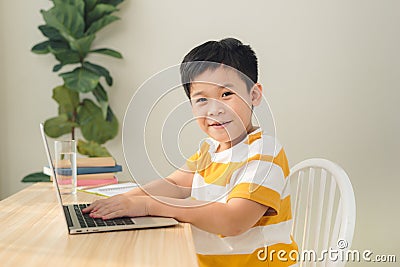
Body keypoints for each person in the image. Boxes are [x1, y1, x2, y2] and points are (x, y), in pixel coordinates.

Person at [83, 38, 298, 266]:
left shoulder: (265, 152)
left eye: (226, 95)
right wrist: (124, 200)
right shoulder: (211, 149)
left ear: (254, 95)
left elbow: (234, 220)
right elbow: (175, 185)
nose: (215, 109)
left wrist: (148, 206)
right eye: (202, 99)